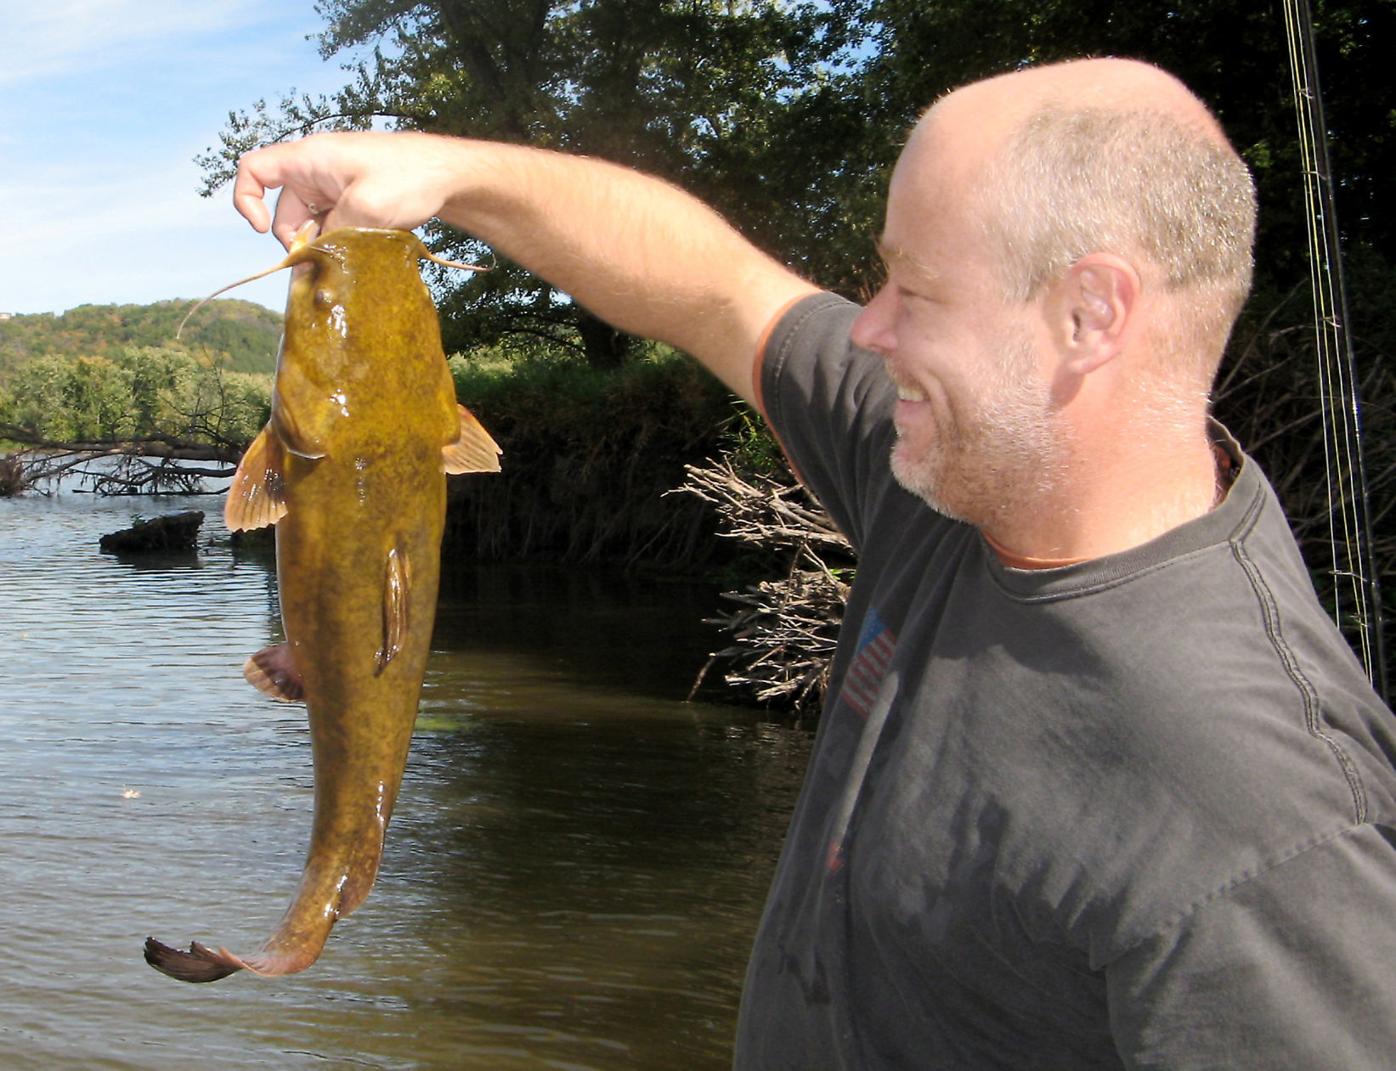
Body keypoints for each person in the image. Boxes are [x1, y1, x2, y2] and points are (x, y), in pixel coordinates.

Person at [233, 57, 1396, 1069]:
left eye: (914, 290)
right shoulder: (952, 475)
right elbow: (717, 287)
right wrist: (444, 173)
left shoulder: (1267, 825)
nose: (868, 327)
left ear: (1089, 316)